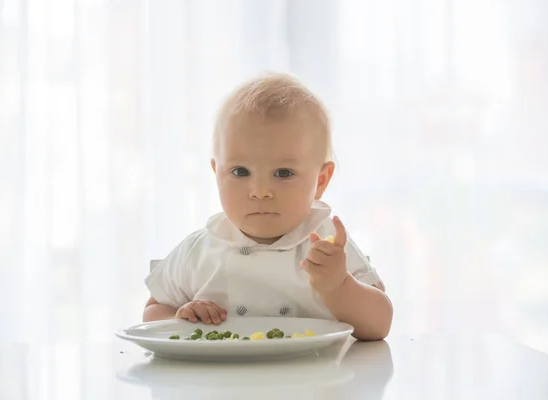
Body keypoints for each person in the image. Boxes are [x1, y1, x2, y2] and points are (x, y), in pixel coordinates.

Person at [142, 72, 392, 340]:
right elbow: (152, 312)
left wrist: (339, 285)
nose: (260, 191)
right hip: (220, 379)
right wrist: (181, 317)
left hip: (314, 377)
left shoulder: (326, 246)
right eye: (240, 172)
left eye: (283, 173)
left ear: (320, 181)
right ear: (216, 173)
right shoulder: (199, 251)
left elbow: (379, 326)